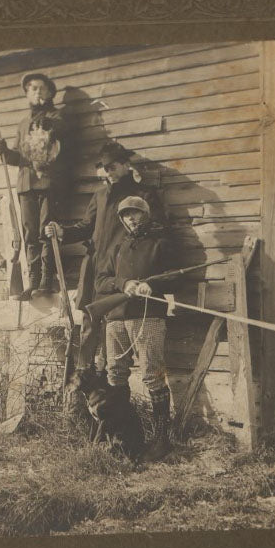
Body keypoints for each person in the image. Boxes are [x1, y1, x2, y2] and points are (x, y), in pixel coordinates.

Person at [44, 139, 164, 388]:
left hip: (122, 270)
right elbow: (85, 228)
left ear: (125, 165)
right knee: (89, 323)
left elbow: (157, 231)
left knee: (115, 326)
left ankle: (110, 386)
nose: (108, 172)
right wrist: (62, 231)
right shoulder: (99, 196)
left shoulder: (143, 195)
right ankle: (84, 383)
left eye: (112, 167)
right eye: (104, 168)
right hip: (95, 268)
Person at [93, 196, 175, 463]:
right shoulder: (117, 246)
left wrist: (154, 285)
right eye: (126, 215)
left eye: (136, 214)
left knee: (152, 375)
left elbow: (178, 274)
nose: (131, 219)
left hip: (148, 316)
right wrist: (124, 283)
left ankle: (161, 439)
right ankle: (123, 437)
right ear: (121, 219)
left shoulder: (161, 242)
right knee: (115, 375)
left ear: (146, 215)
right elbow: (101, 280)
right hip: (116, 317)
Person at [0, 72, 67, 295]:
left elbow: (62, 137)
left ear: (50, 92)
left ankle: (47, 279)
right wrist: (4, 152)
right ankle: (33, 281)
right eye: (33, 89)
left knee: (47, 230)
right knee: (29, 233)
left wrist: (48, 122)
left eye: (42, 88)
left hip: (47, 183)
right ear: (27, 94)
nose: (37, 92)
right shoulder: (23, 124)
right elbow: (19, 157)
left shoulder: (57, 118)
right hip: (26, 184)